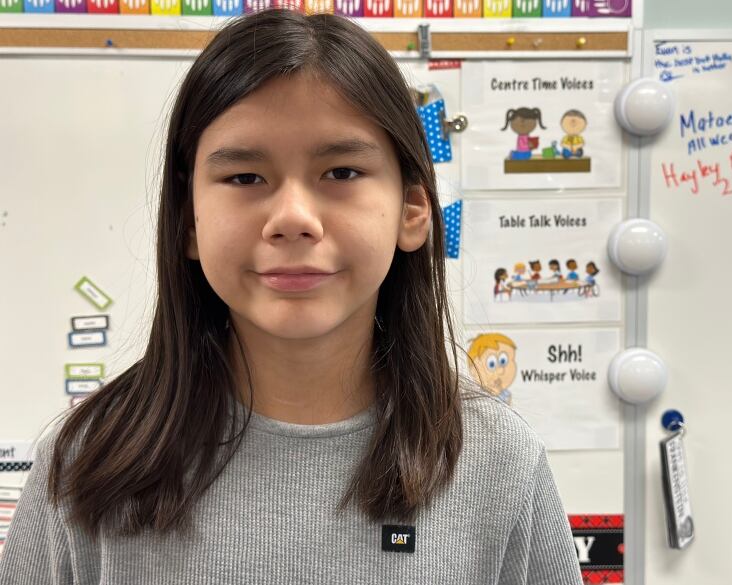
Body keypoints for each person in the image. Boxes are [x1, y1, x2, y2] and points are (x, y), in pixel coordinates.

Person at [0, 10, 582, 585]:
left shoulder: (499, 465)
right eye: (246, 178)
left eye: (343, 172)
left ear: (413, 211)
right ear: (189, 224)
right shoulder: (84, 466)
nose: (294, 219)